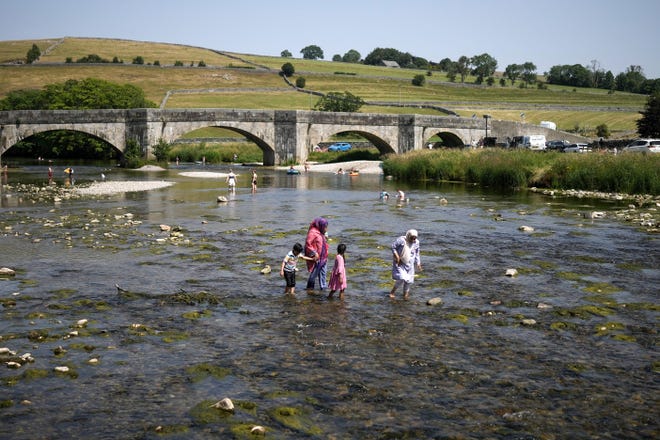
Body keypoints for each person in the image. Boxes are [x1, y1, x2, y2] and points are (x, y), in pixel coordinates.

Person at [389, 229, 422, 300]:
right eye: (412, 238)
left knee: (408, 280)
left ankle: (405, 294)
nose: (413, 239)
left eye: (415, 238)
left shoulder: (416, 242)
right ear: (408, 235)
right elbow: (393, 247)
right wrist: (396, 256)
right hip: (400, 262)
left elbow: (417, 253)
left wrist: (418, 263)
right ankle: (392, 292)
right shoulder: (401, 240)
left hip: (410, 264)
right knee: (402, 278)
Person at [305, 217, 329, 292]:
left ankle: (323, 288)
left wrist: (325, 237)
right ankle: (309, 289)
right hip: (317, 258)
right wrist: (314, 253)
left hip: (323, 257)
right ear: (320, 226)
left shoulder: (320, 232)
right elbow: (308, 244)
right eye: (325, 227)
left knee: (323, 274)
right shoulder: (312, 232)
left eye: (326, 227)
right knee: (314, 274)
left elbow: (322, 242)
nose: (326, 229)